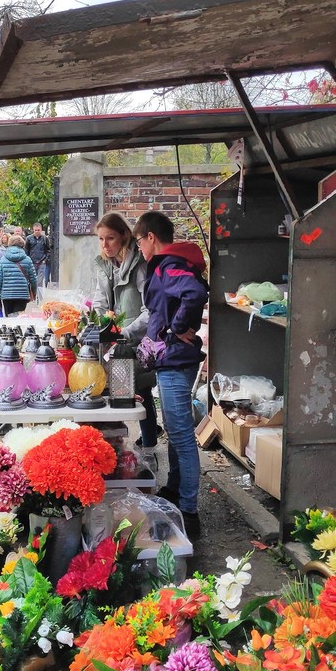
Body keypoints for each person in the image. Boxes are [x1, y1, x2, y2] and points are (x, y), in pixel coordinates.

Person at [133, 211, 209, 538]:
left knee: (180, 436)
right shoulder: (169, 263)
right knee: (176, 431)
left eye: (139, 241)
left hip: (176, 360)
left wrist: (174, 332)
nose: (139, 249)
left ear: (151, 237)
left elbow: (194, 293)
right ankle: (175, 489)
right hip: (172, 358)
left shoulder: (168, 264)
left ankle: (189, 513)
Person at [92, 212, 158, 452]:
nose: (105, 245)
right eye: (100, 239)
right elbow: (100, 297)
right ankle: (116, 443)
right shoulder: (105, 264)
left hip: (136, 339)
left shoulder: (140, 266)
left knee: (141, 387)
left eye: (110, 238)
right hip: (115, 338)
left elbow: (150, 310)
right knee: (117, 389)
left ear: (124, 236)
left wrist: (126, 332)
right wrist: (98, 319)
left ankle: (150, 443)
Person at [0, 234, 36, 316]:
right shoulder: (27, 260)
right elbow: (33, 279)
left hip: (7, 294)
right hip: (22, 294)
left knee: (9, 319)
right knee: (19, 319)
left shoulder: (3, 260)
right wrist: (34, 292)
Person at [25, 222, 51, 286]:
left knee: (40, 281)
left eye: (38, 230)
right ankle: (33, 294)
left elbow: (48, 250)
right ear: (33, 230)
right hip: (32, 261)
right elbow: (26, 250)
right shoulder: (28, 239)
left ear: (41, 230)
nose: (37, 231)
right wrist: (28, 260)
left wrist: (45, 260)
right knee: (32, 280)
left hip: (41, 262)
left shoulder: (45, 238)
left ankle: (39, 294)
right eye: (35, 230)